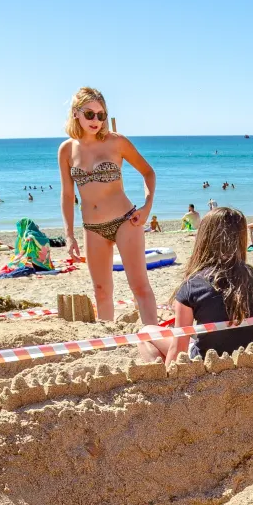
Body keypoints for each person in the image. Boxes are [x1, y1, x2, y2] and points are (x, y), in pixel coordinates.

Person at [57, 87, 163, 348]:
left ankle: (154, 341)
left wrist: (147, 207)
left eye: (101, 115)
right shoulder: (66, 150)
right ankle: (109, 345)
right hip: (92, 228)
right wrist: (69, 235)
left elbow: (148, 172)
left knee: (139, 286)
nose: (96, 120)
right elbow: (67, 194)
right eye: (90, 113)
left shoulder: (117, 142)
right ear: (76, 114)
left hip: (126, 221)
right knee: (101, 291)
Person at [170, 207, 253, 361]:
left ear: (204, 239)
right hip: (251, 362)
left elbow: (178, 349)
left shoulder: (193, 285)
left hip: (207, 364)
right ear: (241, 239)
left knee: (150, 333)